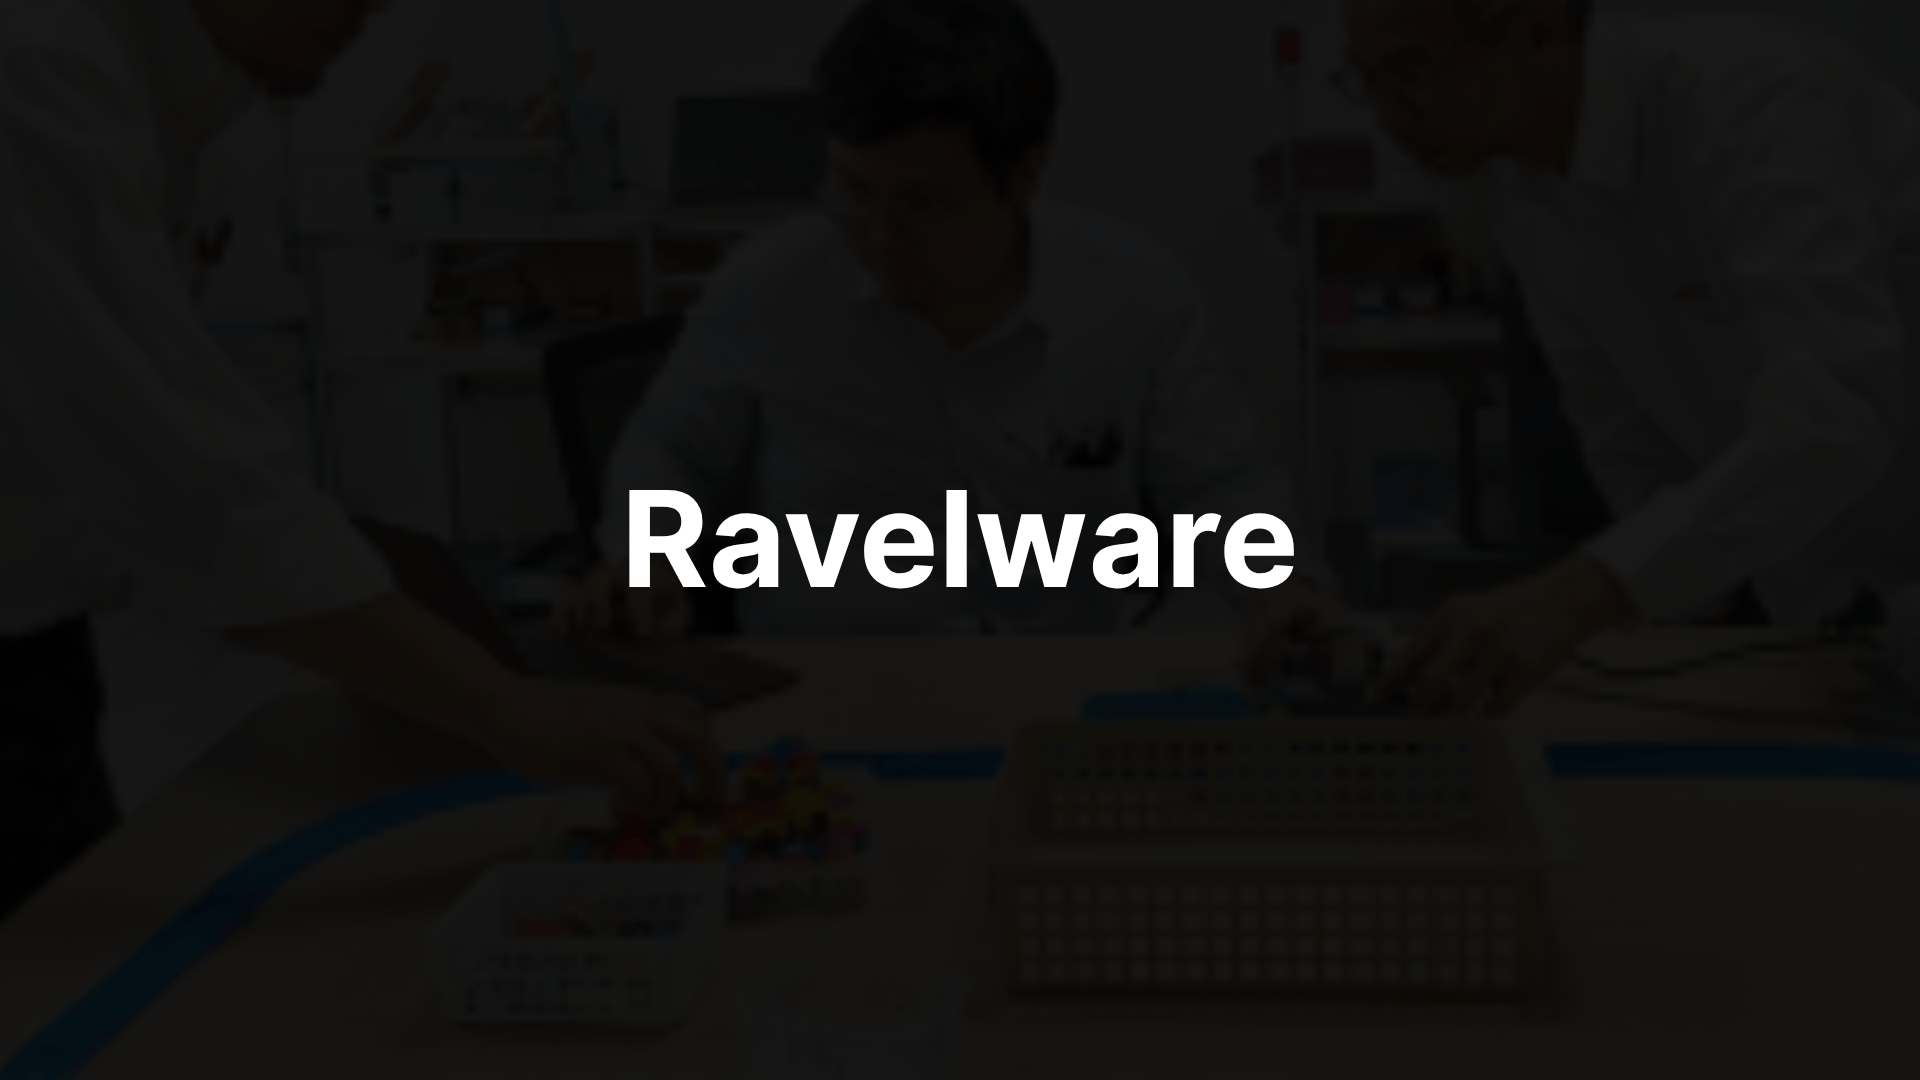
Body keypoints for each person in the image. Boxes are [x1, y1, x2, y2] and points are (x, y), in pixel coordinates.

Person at [0, 0, 722, 918]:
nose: (364, 15)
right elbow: (196, 491)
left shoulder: (182, 98)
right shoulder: (37, 69)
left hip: (44, 645)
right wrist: (505, 707)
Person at [558, 0, 1342, 661]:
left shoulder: (1132, 295)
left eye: (922, 205)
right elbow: (671, 448)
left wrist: (1279, 588)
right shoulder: (770, 288)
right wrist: (646, 558)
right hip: (825, 693)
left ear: (1024, 175)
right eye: (854, 191)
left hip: (1053, 687)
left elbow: (1221, 484)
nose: (879, 237)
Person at [1339, 0, 1920, 717]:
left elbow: (1837, 414)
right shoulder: (1519, 191)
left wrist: (1576, 596)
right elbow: (1627, 441)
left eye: (1412, 71)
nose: (1390, 116)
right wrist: (1673, 620)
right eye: (1368, 80)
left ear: (1541, 23)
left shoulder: (1753, 96)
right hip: (1838, 606)